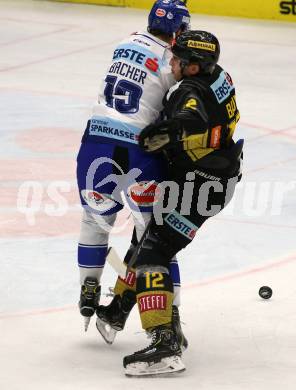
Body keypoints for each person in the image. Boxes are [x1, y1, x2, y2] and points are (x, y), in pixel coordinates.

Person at [121, 30, 243, 376]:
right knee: (150, 241)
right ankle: (133, 313)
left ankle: (164, 344)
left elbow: (191, 115)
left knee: (152, 252)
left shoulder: (188, 90)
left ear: (192, 67)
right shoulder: (219, 75)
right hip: (215, 178)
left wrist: (171, 131)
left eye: (177, 59)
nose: (170, 63)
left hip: (201, 184)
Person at [76, 0, 191, 342]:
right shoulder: (174, 61)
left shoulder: (125, 42)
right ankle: (170, 315)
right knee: (157, 237)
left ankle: (88, 289)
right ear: (179, 30)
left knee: (94, 222)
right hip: (139, 150)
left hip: (96, 140)